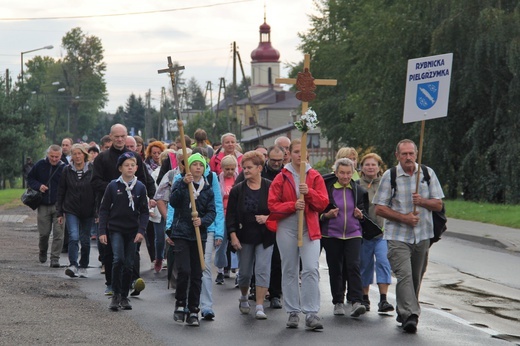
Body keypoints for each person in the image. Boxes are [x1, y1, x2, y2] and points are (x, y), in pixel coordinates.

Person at [373, 139, 444, 333]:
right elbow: (379, 207)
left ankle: (403, 309)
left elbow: (438, 204)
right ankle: (411, 314)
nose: (408, 157)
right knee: (403, 275)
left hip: (422, 235)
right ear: (397, 156)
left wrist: (422, 201)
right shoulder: (391, 176)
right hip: (398, 236)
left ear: (416, 154)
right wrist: (403, 218)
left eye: (411, 154)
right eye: (404, 154)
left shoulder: (427, 174)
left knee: (415, 277)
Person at [267, 138, 329, 330]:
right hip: (287, 227)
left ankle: (311, 313)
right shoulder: (281, 177)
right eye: (295, 152)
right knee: (290, 268)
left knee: (310, 268)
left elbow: (323, 203)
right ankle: (293, 311)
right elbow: (272, 205)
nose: (299, 155)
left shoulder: (315, 176)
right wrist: (292, 205)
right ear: (289, 154)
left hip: (309, 227)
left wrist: (308, 192)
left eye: (302, 152)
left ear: (308, 153)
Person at [91, 123, 156, 296]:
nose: (119, 140)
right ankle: (111, 283)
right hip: (109, 209)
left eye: (122, 136)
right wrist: (116, 188)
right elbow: (95, 182)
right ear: (110, 137)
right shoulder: (102, 158)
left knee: (133, 247)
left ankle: (133, 280)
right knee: (111, 250)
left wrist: (151, 196)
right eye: (116, 137)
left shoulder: (135, 157)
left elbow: (144, 179)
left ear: (127, 136)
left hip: (132, 210)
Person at [98, 152, 149, 311]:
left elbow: (145, 212)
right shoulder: (113, 186)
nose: (129, 168)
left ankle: (125, 296)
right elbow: (104, 209)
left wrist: (141, 230)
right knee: (117, 259)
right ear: (120, 168)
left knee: (129, 264)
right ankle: (115, 294)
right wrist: (102, 231)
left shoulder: (140, 187)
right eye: (126, 165)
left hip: (132, 231)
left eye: (132, 165)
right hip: (116, 229)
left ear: (136, 168)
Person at [170, 153, 216, 327]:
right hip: (181, 233)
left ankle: (193, 309)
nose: (198, 167)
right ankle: (180, 303)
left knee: (198, 273)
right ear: (188, 167)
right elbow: (173, 202)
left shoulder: (207, 189)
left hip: (199, 235)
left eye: (201, 165)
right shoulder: (180, 183)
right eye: (194, 164)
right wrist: (183, 184)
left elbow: (212, 212)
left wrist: (202, 221)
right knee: (185, 271)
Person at [226, 151, 274, 319]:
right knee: (245, 272)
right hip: (243, 236)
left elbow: (279, 209)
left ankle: (260, 305)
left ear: (259, 168)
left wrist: (268, 218)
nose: (245, 171)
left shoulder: (270, 186)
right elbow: (230, 215)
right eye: (244, 167)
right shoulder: (237, 190)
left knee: (262, 270)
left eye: (249, 167)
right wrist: (233, 236)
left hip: (265, 236)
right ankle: (244, 296)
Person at [320, 158, 367, 318]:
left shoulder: (358, 190)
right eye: (342, 173)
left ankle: (356, 301)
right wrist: (326, 215)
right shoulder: (328, 189)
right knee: (336, 268)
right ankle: (338, 301)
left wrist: (361, 216)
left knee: (353, 266)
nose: (345, 176)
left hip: (353, 233)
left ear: (353, 173)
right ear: (336, 173)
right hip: (331, 234)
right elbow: (319, 212)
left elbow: (364, 213)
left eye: (348, 173)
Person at [358, 153, 394, 313]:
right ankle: (364, 298)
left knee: (383, 262)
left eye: (373, 165)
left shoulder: (386, 184)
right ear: (361, 167)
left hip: (382, 233)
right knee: (364, 265)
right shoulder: (357, 185)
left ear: (379, 167)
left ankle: (383, 299)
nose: (370, 167)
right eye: (367, 165)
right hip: (364, 233)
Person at [57, 144, 96, 278]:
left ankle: (83, 265)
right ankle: (73, 265)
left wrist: (97, 212)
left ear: (84, 154)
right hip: (71, 208)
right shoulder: (66, 170)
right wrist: (59, 212)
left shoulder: (92, 169)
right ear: (71, 156)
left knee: (85, 240)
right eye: (74, 154)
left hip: (88, 210)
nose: (77, 156)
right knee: (73, 237)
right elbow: (61, 191)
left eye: (79, 153)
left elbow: (96, 191)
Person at [27, 145, 65, 268]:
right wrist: (39, 186)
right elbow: (30, 178)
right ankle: (43, 251)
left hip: (59, 206)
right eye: (52, 156)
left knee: (58, 234)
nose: (54, 159)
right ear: (48, 155)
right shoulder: (40, 165)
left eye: (57, 157)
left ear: (60, 156)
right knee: (44, 234)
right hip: (43, 205)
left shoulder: (64, 168)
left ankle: (55, 258)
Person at [215, 154, 239, 285]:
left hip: (235, 216)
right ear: (222, 169)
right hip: (222, 216)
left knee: (236, 245)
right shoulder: (218, 181)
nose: (229, 172)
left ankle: (238, 272)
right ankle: (220, 270)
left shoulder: (239, 179)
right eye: (227, 169)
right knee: (220, 244)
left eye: (232, 169)